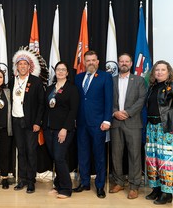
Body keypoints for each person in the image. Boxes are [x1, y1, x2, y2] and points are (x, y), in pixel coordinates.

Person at [74, 50, 113, 198]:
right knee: (83, 154)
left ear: (98, 62)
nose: (90, 62)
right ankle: (84, 182)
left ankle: (100, 186)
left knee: (99, 156)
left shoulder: (105, 77)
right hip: (81, 123)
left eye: (93, 60)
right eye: (88, 60)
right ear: (84, 62)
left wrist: (107, 120)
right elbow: (78, 100)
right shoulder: (78, 78)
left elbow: (109, 100)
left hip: (98, 124)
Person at [109, 53, 146, 199]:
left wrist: (128, 112)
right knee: (116, 154)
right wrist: (114, 113)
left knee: (134, 154)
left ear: (131, 64)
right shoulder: (111, 80)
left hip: (133, 122)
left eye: (127, 61)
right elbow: (106, 99)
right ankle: (119, 182)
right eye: (121, 61)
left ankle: (134, 186)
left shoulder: (139, 80)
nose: (124, 63)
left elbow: (142, 99)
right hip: (116, 122)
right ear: (118, 63)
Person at [9, 49, 44, 194]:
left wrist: (37, 122)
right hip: (16, 121)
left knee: (31, 151)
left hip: (30, 122)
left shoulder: (36, 81)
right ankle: (22, 179)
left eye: (25, 64)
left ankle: (31, 181)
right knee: (21, 151)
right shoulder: (12, 81)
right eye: (20, 64)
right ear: (16, 67)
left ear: (29, 67)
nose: (22, 66)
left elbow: (41, 104)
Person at [43, 61, 79, 199]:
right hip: (48, 129)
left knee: (59, 157)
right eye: (58, 69)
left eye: (63, 69)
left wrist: (65, 128)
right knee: (58, 158)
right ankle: (58, 184)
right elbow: (46, 108)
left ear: (67, 73)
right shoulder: (50, 88)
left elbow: (73, 111)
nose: (60, 72)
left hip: (63, 130)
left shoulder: (72, 89)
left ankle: (66, 189)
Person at [145, 60, 173, 205]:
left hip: (166, 128)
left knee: (165, 161)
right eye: (157, 70)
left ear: (169, 72)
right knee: (152, 160)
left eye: (163, 70)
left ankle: (167, 192)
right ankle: (156, 188)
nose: (159, 72)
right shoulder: (152, 87)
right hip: (151, 127)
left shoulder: (171, 87)